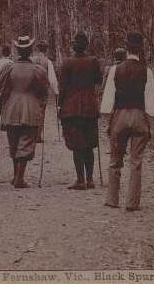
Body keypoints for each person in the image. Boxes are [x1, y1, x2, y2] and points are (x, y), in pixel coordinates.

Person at [100, 32, 154, 211]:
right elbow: (151, 103)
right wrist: (152, 125)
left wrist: (108, 121)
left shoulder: (115, 70)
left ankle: (112, 199)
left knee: (115, 159)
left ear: (126, 48)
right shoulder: (146, 71)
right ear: (140, 50)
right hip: (139, 116)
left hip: (119, 116)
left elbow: (107, 101)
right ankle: (132, 203)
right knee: (136, 161)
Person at [0, 35, 48, 188]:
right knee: (26, 140)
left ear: (18, 50)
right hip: (30, 107)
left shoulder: (9, 68)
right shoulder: (37, 70)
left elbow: (2, 88)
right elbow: (43, 90)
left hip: (12, 107)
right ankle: (19, 177)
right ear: (31, 50)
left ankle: (16, 176)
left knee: (13, 141)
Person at [59, 32, 102, 190]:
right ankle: (90, 179)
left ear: (73, 46)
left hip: (72, 108)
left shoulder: (67, 63)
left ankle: (81, 179)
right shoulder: (94, 61)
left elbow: (62, 87)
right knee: (89, 144)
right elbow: (98, 80)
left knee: (77, 145)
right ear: (86, 45)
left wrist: (60, 105)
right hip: (90, 107)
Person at [31, 40, 59, 142]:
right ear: (46, 50)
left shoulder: (31, 60)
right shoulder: (48, 62)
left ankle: (32, 134)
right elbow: (52, 79)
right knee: (41, 112)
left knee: (32, 111)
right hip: (42, 91)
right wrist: (56, 91)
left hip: (32, 90)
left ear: (37, 49)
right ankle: (38, 135)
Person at [0, 45, 13, 131]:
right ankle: (4, 125)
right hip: (7, 87)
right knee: (6, 106)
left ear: (2, 53)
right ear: (10, 53)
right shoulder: (11, 63)